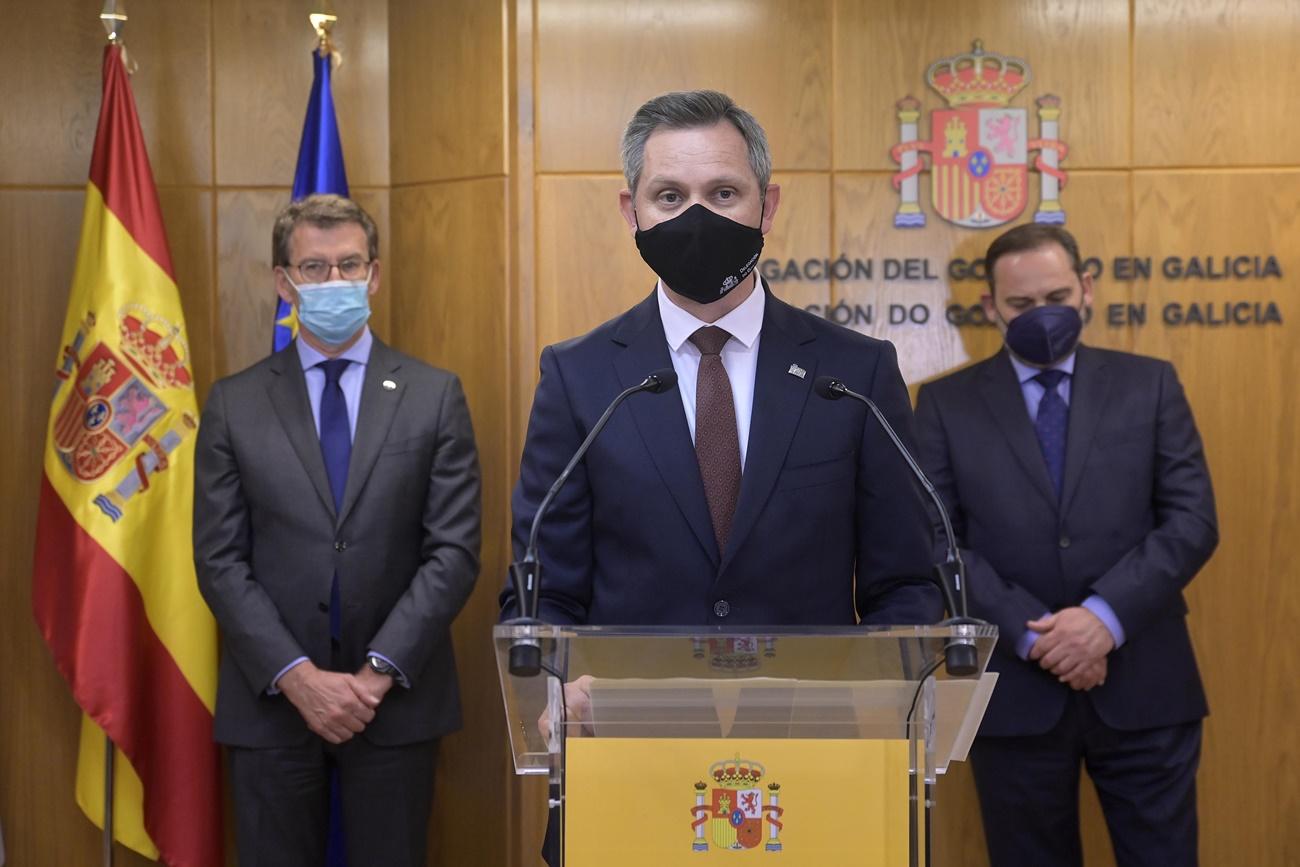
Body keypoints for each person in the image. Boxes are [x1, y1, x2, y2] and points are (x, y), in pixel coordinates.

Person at [502, 88, 940, 637]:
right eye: (668, 196)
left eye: (724, 192)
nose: (697, 217)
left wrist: (881, 691)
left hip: (811, 716)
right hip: (630, 715)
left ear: (768, 206)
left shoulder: (855, 372)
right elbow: (543, 590)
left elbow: (905, 584)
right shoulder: (579, 376)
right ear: (630, 211)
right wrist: (559, 684)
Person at [915, 223, 1217, 867]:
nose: (1042, 316)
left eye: (1056, 296)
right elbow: (936, 539)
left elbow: (1192, 521)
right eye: (1022, 305)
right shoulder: (944, 404)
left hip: (1146, 685)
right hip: (1016, 694)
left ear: (1086, 289)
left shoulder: (1151, 385)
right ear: (991, 306)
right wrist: (1039, 635)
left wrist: (1102, 621)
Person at [194, 193, 481, 867]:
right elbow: (219, 560)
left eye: (348, 265)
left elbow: (455, 550)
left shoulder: (434, 395)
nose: (333, 282)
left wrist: (375, 674)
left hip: (396, 703)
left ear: (374, 275)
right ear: (283, 281)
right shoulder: (233, 403)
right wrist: (298, 678)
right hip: (272, 705)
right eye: (314, 268)